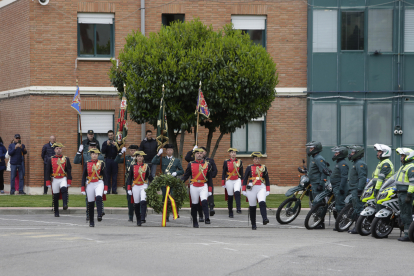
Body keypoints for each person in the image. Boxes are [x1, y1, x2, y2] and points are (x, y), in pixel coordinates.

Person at [181, 148, 214, 228]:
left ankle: (207, 218)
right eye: (197, 153)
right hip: (194, 185)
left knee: (204, 201)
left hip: (203, 185)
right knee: (194, 204)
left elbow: (209, 179)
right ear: (195, 155)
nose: (199, 155)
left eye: (200, 153)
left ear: (203, 154)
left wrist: (210, 190)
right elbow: (186, 175)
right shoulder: (191, 164)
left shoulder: (207, 165)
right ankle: (195, 221)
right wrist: (179, 182)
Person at [152, 144, 184, 221]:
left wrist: (176, 173)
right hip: (164, 181)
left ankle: (174, 212)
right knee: (164, 198)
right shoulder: (162, 159)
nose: (169, 151)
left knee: (172, 197)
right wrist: (158, 154)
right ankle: (165, 215)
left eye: (171, 150)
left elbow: (182, 171)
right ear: (166, 151)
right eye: (168, 150)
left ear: (173, 151)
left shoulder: (176, 160)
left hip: (173, 181)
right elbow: (153, 161)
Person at [74, 141, 105, 221]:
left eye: (94, 147)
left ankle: (100, 211)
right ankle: (88, 214)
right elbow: (76, 161)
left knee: (99, 196)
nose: (93, 148)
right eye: (91, 147)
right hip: (89, 180)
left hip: (97, 179)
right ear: (88, 148)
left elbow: (102, 167)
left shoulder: (100, 157)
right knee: (89, 199)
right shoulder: (84, 155)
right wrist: (78, 152)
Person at [242, 152, 270, 230]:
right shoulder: (249, 167)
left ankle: (265, 218)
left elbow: (267, 179)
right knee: (252, 206)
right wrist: (243, 189)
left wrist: (268, 190)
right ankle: (253, 224)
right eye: (256, 158)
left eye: (258, 158)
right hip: (251, 187)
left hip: (261, 187)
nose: (257, 160)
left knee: (262, 202)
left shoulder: (263, 167)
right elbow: (245, 178)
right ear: (253, 159)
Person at [81, 148, 108, 227]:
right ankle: (91, 221)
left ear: (98, 155)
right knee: (90, 202)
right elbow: (83, 176)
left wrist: (106, 187)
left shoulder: (101, 163)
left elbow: (105, 176)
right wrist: (82, 187)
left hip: (99, 182)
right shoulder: (87, 163)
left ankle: (99, 214)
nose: (94, 155)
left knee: (99, 197)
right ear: (90, 155)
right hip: (90, 183)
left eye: (96, 154)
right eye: (93, 154)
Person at [126, 151, 153, 226]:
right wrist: (128, 188)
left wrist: (154, 183)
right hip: (135, 186)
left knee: (143, 200)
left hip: (143, 185)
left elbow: (149, 176)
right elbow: (129, 178)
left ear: (143, 157)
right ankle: (138, 219)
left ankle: (143, 217)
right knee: (136, 203)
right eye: (138, 156)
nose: (140, 158)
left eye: (141, 156)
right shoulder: (132, 166)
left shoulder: (146, 166)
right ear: (136, 157)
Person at [45, 143, 72, 217]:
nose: (59, 150)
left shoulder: (66, 159)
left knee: (64, 189)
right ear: (54, 150)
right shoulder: (50, 159)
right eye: (57, 148)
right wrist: (47, 181)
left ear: (62, 149)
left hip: (63, 178)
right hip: (54, 179)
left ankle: (65, 204)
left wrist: (69, 180)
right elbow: (47, 171)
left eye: (60, 148)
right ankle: (56, 211)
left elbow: (69, 170)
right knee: (55, 196)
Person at [306, 141, 328, 229]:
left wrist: (321, 183)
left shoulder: (319, 159)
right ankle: (317, 221)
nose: (310, 150)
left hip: (317, 184)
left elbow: (324, 172)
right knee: (315, 203)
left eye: (311, 148)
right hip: (313, 184)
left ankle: (320, 223)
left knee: (318, 203)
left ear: (316, 149)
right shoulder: (314, 158)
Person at [394, 148, 414, 241]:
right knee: (403, 214)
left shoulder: (411, 167)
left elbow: (412, 183)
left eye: (403, 156)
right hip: (401, 193)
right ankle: (407, 233)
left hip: (406, 194)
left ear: (408, 156)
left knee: (407, 214)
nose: (401, 158)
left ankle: (408, 235)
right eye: (401, 156)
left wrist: (409, 194)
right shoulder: (404, 166)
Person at [347, 145, 367, 234]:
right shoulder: (355, 163)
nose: (351, 154)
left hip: (356, 189)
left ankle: (358, 227)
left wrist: (359, 189)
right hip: (353, 188)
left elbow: (362, 177)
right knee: (355, 207)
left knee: (359, 208)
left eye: (352, 152)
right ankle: (356, 226)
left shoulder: (360, 164)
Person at [115, 144, 137, 222]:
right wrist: (121, 153)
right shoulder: (126, 158)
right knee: (129, 199)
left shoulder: (139, 158)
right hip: (128, 180)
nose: (132, 152)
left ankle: (140, 215)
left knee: (138, 199)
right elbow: (116, 161)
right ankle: (130, 216)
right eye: (131, 150)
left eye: (134, 150)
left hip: (137, 179)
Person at [330, 146, 349, 231]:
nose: (335, 154)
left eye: (337, 153)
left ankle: (343, 224)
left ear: (341, 154)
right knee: (337, 205)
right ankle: (340, 223)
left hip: (339, 187)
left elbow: (344, 177)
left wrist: (341, 188)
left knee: (340, 206)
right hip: (336, 186)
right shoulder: (339, 163)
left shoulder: (343, 164)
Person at [222, 148, 243, 217]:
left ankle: (238, 208)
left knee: (237, 192)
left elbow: (241, 173)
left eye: (234, 152)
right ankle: (230, 212)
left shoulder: (239, 161)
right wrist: (223, 182)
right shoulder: (226, 162)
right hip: (229, 179)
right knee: (230, 196)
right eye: (232, 152)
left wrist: (242, 182)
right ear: (230, 154)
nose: (233, 153)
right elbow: (223, 172)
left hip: (237, 179)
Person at [372, 143, 394, 212]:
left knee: (380, 208)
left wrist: (377, 188)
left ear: (385, 152)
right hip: (379, 187)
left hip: (382, 188)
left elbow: (381, 178)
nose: (378, 153)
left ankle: (381, 222)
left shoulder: (386, 163)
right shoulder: (382, 162)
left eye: (380, 152)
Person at [101, 130, 121, 194]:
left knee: (115, 175)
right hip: (108, 160)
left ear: (113, 135)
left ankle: (114, 190)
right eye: (109, 135)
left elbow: (119, 151)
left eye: (111, 135)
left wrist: (115, 146)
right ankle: (108, 190)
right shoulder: (105, 142)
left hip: (115, 160)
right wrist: (107, 145)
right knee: (107, 175)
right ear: (108, 135)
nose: (110, 136)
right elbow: (103, 151)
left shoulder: (117, 143)